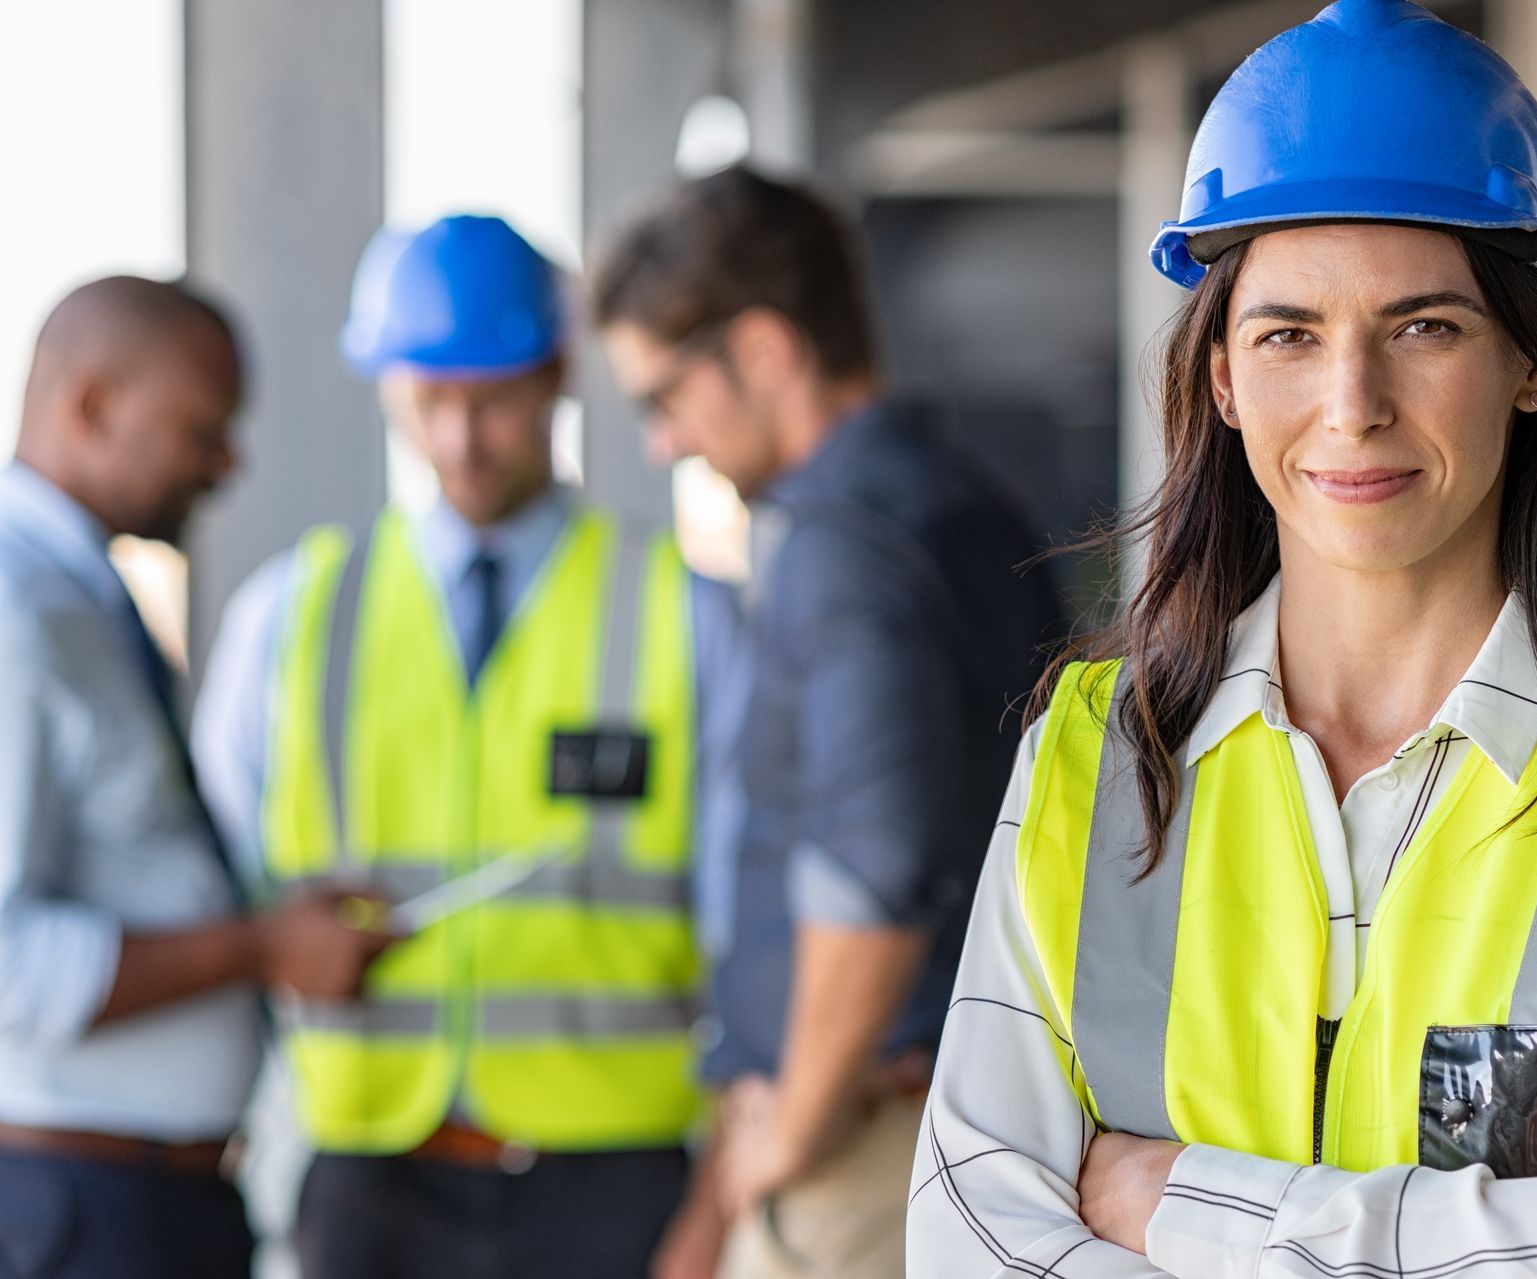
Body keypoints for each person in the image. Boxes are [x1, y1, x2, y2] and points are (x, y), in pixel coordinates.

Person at [905, 2, 1537, 1276]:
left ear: (1531, 362)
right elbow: (967, 1242)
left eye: (1425, 327)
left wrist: (1162, 1195)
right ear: (1222, 377)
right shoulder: (1091, 758)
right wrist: (1516, 1221)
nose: (1353, 406)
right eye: (1289, 334)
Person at [193, 215, 715, 1278]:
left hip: (613, 1177)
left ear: (557, 377)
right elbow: (220, 899)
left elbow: (754, 919)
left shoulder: (680, 611)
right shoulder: (293, 615)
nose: (461, 439)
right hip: (373, 1175)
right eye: (428, 400)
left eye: (495, 401)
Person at [592, 167, 1063, 1279]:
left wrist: (792, 1127)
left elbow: (874, 862)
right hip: (944, 1115)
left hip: (868, 1146)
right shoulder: (954, 498)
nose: (663, 442)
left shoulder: (844, 540)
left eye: (664, 396)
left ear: (761, 350)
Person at [0, 276, 393, 1279]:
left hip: (149, 1201)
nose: (227, 463)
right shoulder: (14, 614)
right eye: (203, 428)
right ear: (92, 406)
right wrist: (259, 947)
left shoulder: (77, 601)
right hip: (80, 1208)